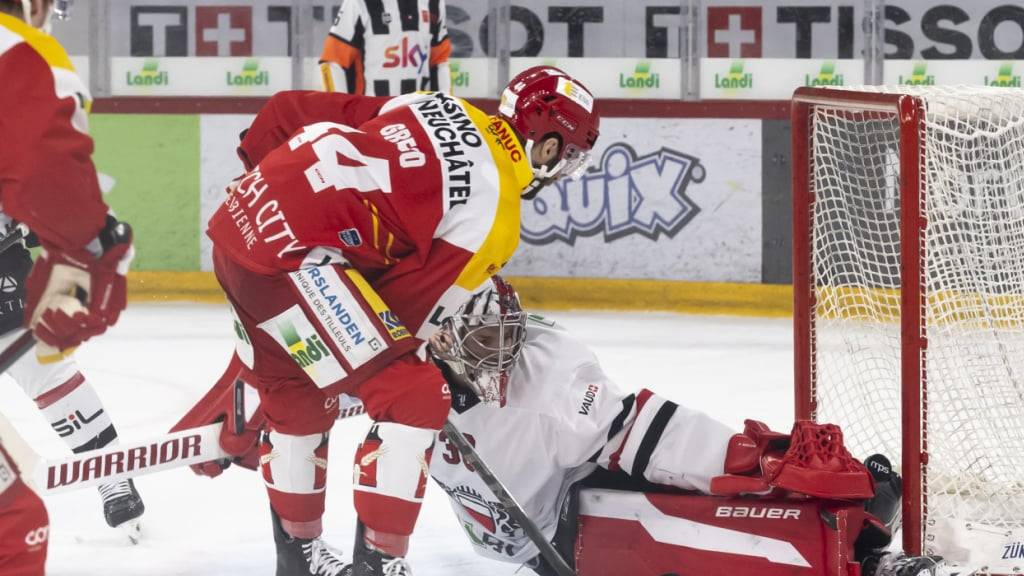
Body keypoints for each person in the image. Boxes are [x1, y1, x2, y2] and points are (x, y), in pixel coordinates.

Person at [192, 65, 600, 576]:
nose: (564, 170)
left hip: (239, 227)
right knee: (416, 396)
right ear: (547, 144)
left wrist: (269, 189)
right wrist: (383, 376)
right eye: (569, 157)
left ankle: (297, 560)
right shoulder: (495, 214)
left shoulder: (438, 103)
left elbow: (285, 112)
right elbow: (405, 319)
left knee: (297, 397)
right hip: (295, 264)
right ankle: (378, 564)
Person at [426, 276, 956, 576]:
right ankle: (860, 543)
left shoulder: (549, 373)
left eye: (505, 332)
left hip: (559, 513)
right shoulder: (403, 390)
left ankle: (856, 538)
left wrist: (752, 457)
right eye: (482, 339)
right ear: (441, 340)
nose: (504, 350)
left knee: (692, 498)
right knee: (683, 528)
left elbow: (648, 436)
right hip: (551, 536)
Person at [0, 0, 137, 571]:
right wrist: (90, 250)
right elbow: (47, 170)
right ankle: (110, 471)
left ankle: (110, 473)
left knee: (41, 365)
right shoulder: (21, 53)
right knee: (14, 522)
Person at [319, 0, 452, 96]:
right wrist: (342, 114)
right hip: (370, 116)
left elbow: (440, 61)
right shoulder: (359, 3)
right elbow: (333, 62)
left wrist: (447, 109)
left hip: (418, 115)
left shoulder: (434, 3)